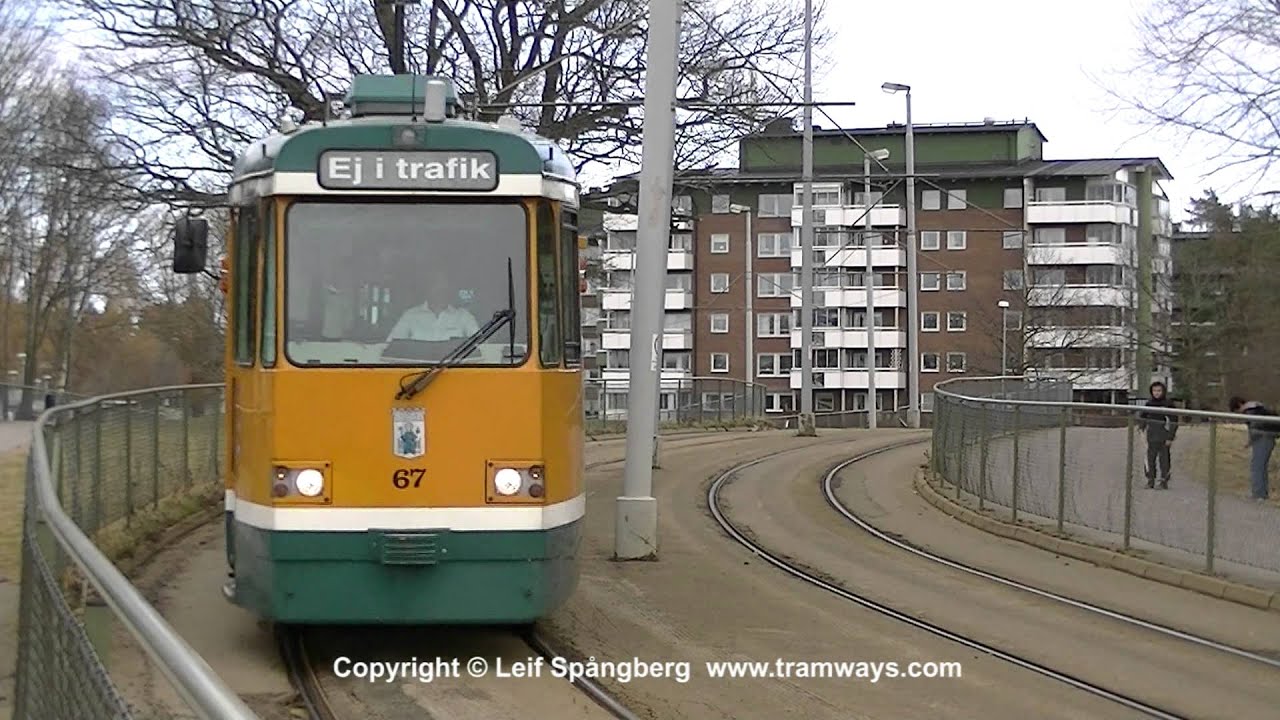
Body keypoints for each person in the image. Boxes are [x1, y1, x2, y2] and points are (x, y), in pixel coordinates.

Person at [385, 270, 479, 342]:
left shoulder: (464, 316)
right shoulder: (410, 316)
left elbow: (481, 347)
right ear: (427, 288)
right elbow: (391, 346)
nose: (441, 289)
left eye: (445, 285)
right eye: (436, 284)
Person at [1229, 396, 1277, 501]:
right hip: (1269, 437)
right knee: (1261, 466)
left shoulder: (1250, 411)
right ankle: (1262, 493)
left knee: (1257, 467)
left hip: (1263, 439)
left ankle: (1258, 494)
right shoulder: (1257, 407)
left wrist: (1250, 441)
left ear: (1239, 405)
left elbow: (1255, 429)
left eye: (1237, 411)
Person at [1138, 381, 1177, 489]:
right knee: (1150, 458)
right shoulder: (1149, 404)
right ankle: (1150, 479)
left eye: (1159, 390)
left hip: (1164, 435)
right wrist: (1141, 428)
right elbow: (1143, 417)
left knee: (1164, 459)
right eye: (1154, 390)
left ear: (1163, 391)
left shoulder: (1168, 404)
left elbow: (1174, 421)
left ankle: (1164, 480)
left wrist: (1170, 437)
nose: (1157, 393)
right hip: (1151, 435)